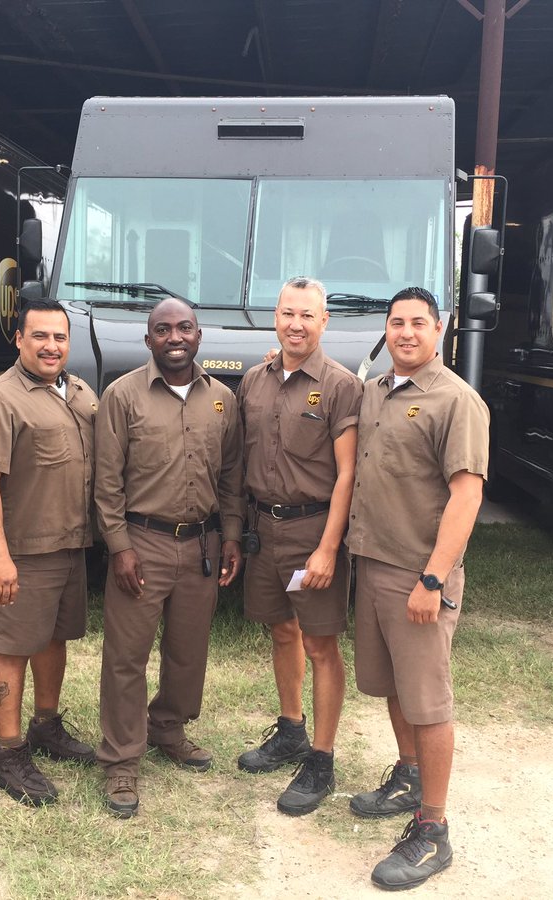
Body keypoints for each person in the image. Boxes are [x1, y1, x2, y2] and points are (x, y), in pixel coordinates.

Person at [346, 286, 488, 890]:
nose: (406, 333)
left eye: (418, 323)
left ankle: (433, 829)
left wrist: (433, 579)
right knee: (393, 687)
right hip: (373, 567)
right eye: (396, 322)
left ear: (439, 330)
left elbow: (467, 495)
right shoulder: (378, 389)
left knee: (427, 702)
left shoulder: (457, 400)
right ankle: (408, 776)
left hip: (418, 575)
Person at [94, 297, 245, 818]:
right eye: (163, 329)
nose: (174, 337)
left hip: (202, 544)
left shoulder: (222, 399)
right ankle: (121, 759)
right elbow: (107, 483)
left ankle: (168, 727)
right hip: (143, 543)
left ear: (199, 335)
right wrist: (120, 547)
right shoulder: (122, 395)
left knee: (188, 650)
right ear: (149, 339)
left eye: (184, 328)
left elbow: (231, 476)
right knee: (126, 657)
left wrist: (231, 536)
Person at [0, 299, 99, 806]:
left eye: (60, 337)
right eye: (39, 336)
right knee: (13, 648)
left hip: (71, 545)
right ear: (18, 339)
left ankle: (46, 725)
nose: (50, 346)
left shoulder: (80, 392)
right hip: (22, 552)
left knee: (53, 640)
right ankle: (9, 750)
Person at [234, 276, 362, 815]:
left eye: (308, 315)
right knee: (281, 630)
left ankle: (322, 758)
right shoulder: (253, 381)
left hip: (313, 531)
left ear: (324, 321)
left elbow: (348, 473)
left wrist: (328, 548)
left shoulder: (340, 386)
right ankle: (291, 729)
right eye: (288, 313)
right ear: (275, 316)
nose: (296, 324)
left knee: (320, 644)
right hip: (264, 530)